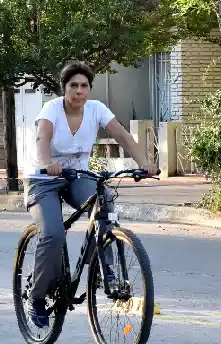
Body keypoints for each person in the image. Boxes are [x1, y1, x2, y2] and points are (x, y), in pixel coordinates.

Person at [26, 60, 158, 328]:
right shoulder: (51, 109)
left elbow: (122, 135)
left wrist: (143, 163)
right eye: (73, 85)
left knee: (105, 202)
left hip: (78, 177)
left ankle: (106, 269)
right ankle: (37, 298)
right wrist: (47, 162)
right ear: (64, 88)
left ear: (89, 89)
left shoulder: (96, 109)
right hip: (44, 179)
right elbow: (42, 138)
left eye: (84, 86)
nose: (79, 91)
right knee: (52, 234)